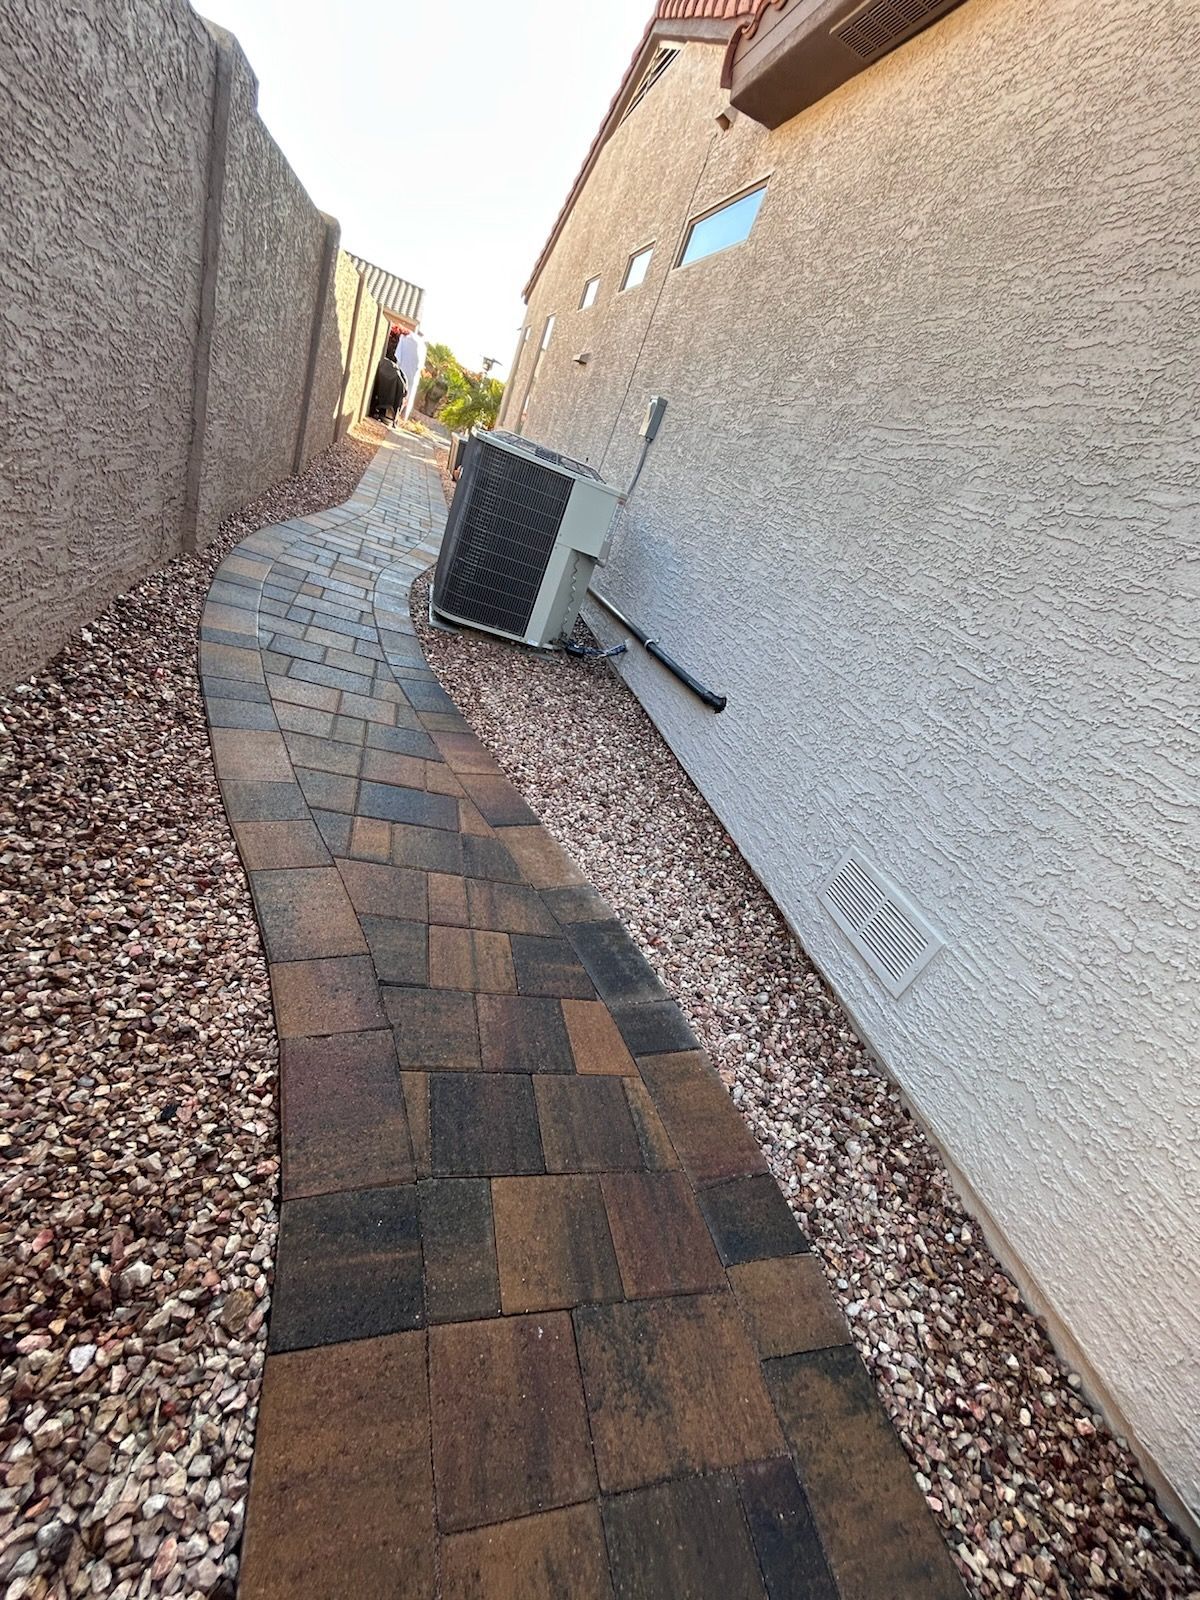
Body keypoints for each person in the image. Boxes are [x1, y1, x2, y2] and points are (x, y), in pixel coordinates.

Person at [394, 324, 427, 422]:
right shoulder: (422, 347)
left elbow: (397, 355)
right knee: (407, 395)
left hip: (401, 370)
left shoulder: (405, 339)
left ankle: (394, 413)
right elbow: (420, 365)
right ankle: (400, 416)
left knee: (398, 391)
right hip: (413, 376)